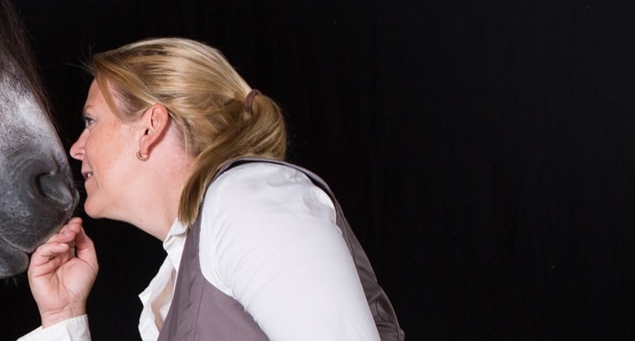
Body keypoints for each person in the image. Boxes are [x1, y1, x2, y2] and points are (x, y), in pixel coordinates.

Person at [20, 38, 402, 340]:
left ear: (150, 128)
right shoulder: (182, 272)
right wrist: (63, 318)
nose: (76, 148)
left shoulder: (246, 200)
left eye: (91, 120)